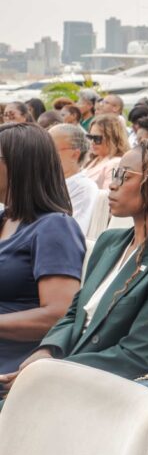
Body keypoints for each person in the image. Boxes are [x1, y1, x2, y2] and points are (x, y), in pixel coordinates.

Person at [1, 137, 148, 394]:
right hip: (63, 373)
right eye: (115, 174)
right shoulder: (110, 242)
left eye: (125, 176)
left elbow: (138, 357)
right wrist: (47, 350)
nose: (112, 185)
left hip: (106, 390)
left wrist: (51, 370)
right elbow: (74, 313)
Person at [0, 124, 85, 375]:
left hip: (14, 364)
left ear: (19, 164)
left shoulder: (54, 227)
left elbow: (58, 315)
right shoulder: (6, 218)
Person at [48, 124, 99, 234]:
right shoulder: (46, 181)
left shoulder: (84, 188)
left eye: (52, 149)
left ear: (75, 154)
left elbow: (72, 232)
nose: (45, 154)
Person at [82, 114, 129, 190]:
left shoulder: (117, 163)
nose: (92, 142)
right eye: (90, 137)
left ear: (112, 139)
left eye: (97, 138)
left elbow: (110, 193)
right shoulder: (92, 158)